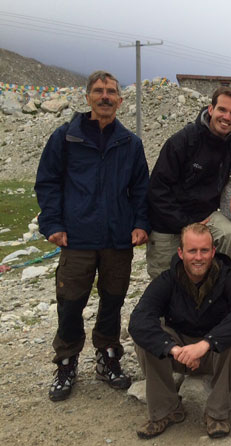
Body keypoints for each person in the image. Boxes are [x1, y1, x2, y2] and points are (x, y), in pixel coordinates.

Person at [35, 70, 150, 402]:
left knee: (113, 301)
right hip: (78, 236)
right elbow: (48, 182)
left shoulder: (130, 143)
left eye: (111, 92)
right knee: (70, 303)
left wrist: (140, 223)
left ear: (120, 100)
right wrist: (52, 225)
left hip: (117, 239)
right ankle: (66, 361)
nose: (105, 96)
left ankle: (108, 355)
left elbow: (141, 189)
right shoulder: (65, 138)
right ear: (86, 97)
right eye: (98, 91)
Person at [128, 223, 231, 439]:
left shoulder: (228, 279)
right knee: (145, 338)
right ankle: (166, 410)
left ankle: (216, 414)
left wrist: (205, 345)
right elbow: (139, 319)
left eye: (204, 250)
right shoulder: (167, 279)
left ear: (213, 251)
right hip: (178, 351)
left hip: (212, 354)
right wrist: (174, 349)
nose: (198, 257)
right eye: (192, 251)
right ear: (181, 252)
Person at [146, 86, 231, 278]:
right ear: (211, 110)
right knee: (165, 284)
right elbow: (157, 191)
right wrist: (185, 224)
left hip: (205, 217)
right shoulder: (183, 141)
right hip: (168, 222)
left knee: (230, 234)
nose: (227, 117)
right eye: (222, 110)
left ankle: (227, 291)